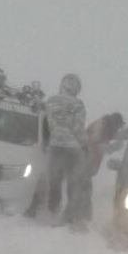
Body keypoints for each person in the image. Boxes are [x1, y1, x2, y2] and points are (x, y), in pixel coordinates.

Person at [44, 73, 87, 225]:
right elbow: (78, 128)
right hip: (72, 149)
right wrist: (84, 145)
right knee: (73, 182)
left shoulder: (50, 101)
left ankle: (52, 212)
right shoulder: (78, 104)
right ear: (76, 88)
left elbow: (47, 126)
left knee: (54, 182)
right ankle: (71, 215)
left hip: (55, 147)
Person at [77, 112, 125, 224]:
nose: (118, 129)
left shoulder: (107, 127)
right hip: (83, 165)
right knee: (83, 191)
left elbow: (117, 136)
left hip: (86, 166)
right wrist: (112, 147)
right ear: (115, 123)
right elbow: (92, 144)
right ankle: (81, 217)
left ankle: (82, 216)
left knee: (84, 191)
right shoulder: (101, 126)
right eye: (118, 126)